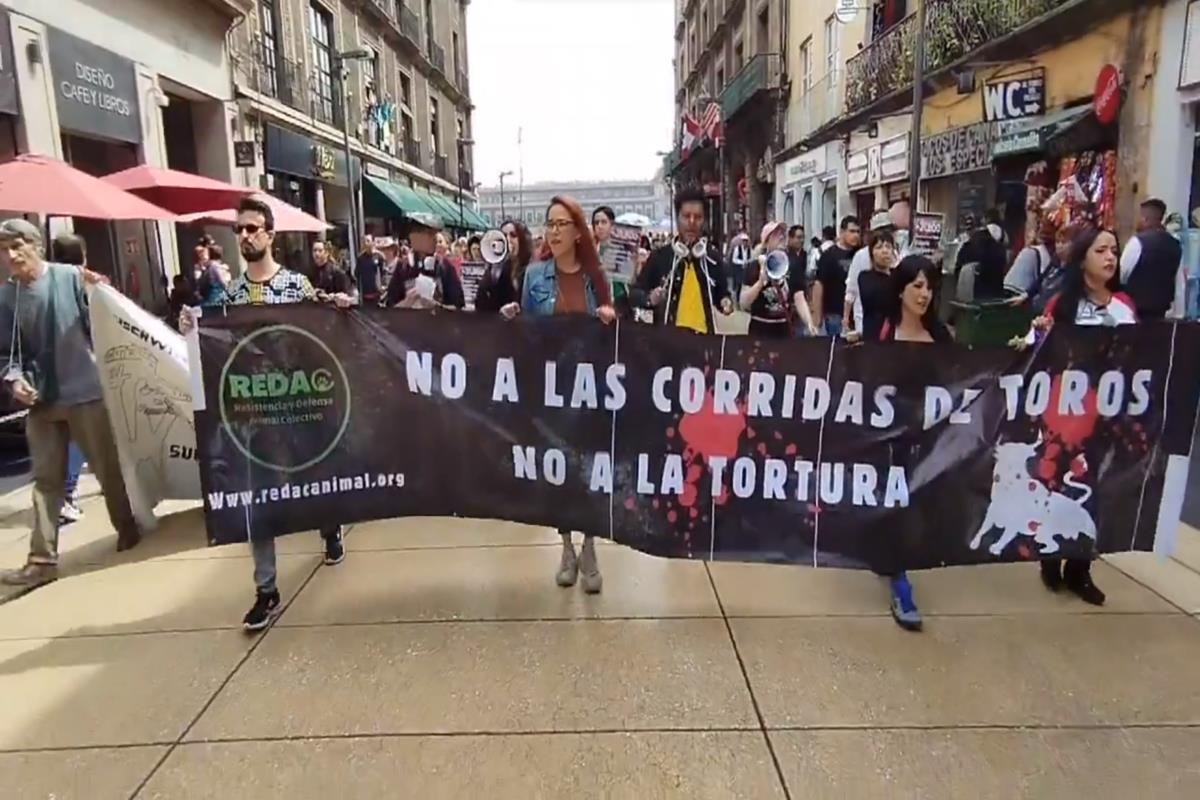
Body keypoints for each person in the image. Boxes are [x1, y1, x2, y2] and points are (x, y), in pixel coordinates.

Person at [180, 197, 353, 631]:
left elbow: (325, 324)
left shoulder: (296, 286)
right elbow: (211, 337)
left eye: (253, 228)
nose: (245, 236)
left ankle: (330, 526)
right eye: (239, 230)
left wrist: (341, 307)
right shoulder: (230, 295)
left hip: (299, 407)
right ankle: (266, 589)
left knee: (314, 478)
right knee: (258, 495)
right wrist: (190, 326)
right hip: (255, 413)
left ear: (270, 235)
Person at [0, 219, 142, 588]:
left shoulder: (69, 277)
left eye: (17, 246)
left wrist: (102, 293)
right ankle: (42, 559)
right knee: (46, 481)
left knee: (106, 469)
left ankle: (128, 529)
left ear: (35, 245)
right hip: (42, 402)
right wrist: (14, 379)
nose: (11, 255)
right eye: (3, 249)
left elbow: (107, 317)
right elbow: (5, 353)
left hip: (85, 392)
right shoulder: (6, 297)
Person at [507, 196, 615, 594]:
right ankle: (567, 547)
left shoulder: (595, 277)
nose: (553, 231)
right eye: (549, 224)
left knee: (587, 471)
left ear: (577, 231)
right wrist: (514, 320)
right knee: (560, 473)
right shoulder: (535, 277)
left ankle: (589, 547)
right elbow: (528, 336)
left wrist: (608, 319)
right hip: (551, 392)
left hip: (588, 390)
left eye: (561, 224)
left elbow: (614, 333)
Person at [1015, 227, 1127, 607]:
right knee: (1056, 485)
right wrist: (1036, 335)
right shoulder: (1062, 306)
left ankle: (1080, 569)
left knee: (1092, 491)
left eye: (1115, 250)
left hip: (1104, 418)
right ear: (1083, 260)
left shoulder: (1124, 307)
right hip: (1062, 417)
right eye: (1101, 250)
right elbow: (1035, 350)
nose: (1110, 257)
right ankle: (1051, 560)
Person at [873, 255, 953, 632]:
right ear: (901, 289)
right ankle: (900, 585)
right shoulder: (883, 334)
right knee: (895, 508)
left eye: (929, 286)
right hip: (890, 443)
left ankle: (892, 559)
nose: (924, 294)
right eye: (917, 285)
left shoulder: (942, 337)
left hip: (929, 440)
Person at [49, 233, 99, 526]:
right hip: (77, 372)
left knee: (65, 436)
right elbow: (91, 323)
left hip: (49, 372)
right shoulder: (78, 283)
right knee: (78, 437)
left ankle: (65, 493)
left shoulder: (44, 283)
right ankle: (65, 495)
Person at [637, 187, 733, 334]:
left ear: (705, 220)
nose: (692, 222)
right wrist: (650, 298)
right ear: (677, 217)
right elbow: (636, 293)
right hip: (668, 344)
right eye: (686, 216)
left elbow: (722, 293)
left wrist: (726, 302)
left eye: (698, 217)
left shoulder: (712, 257)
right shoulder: (659, 257)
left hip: (705, 344)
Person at [740, 221, 817, 338]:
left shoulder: (793, 264)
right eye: (775, 234)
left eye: (782, 233)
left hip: (783, 328)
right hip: (760, 329)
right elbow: (743, 303)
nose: (781, 236)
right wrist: (760, 282)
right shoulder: (754, 266)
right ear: (766, 242)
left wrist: (809, 323)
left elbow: (799, 297)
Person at [383, 214, 466, 309]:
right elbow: (389, 307)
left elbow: (459, 306)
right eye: (430, 234)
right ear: (414, 237)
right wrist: (407, 302)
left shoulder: (445, 266)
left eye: (435, 234)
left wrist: (437, 306)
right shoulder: (403, 267)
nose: (435, 239)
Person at [1121, 198, 1185, 320]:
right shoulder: (1175, 245)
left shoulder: (1137, 242)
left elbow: (1123, 274)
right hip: (1161, 312)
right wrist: (1178, 314)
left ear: (1145, 219)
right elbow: (1179, 283)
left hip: (1134, 311)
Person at [813, 215, 861, 336]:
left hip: (856, 313)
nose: (856, 235)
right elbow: (819, 285)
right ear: (842, 232)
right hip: (835, 314)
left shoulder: (860, 254)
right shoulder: (829, 255)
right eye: (852, 231)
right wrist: (817, 316)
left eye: (858, 232)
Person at [847, 229, 898, 342]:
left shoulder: (897, 276)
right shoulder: (865, 277)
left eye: (888, 247)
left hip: (894, 337)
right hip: (873, 335)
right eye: (879, 247)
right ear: (871, 253)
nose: (885, 251)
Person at [474, 219, 531, 314]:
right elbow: (481, 303)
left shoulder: (531, 269)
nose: (508, 240)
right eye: (504, 236)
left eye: (513, 235)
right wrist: (492, 274)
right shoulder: (497, 270)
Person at [355, 236, 385, 306]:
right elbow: (357, 274)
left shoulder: (379, 256)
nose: (366, 243)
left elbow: (383, 272)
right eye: (364, 242)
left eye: (368, 241)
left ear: (372, 242)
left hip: (377, 295)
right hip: (365, 296)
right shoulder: (360, 258)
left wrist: (383, 286)